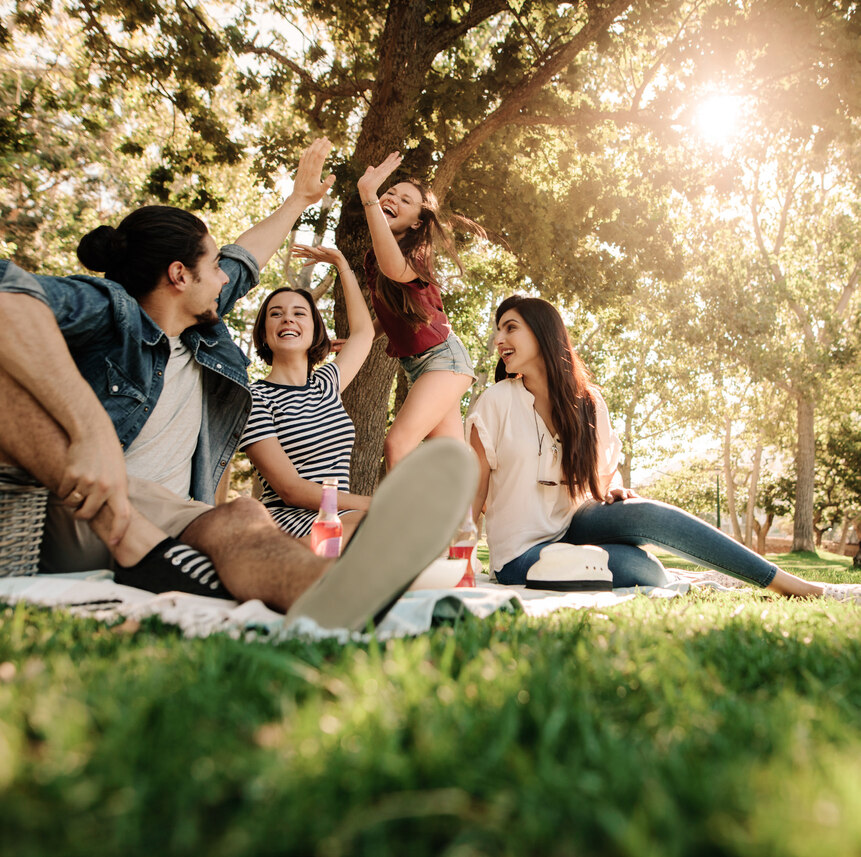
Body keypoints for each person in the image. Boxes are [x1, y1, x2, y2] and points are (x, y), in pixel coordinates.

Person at [0, 138, 478, 628]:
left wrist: (298, 201)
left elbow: (243, 259)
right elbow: (6, 290)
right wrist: (89, 429)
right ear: (179, 275)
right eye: (213, 268)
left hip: (174, 517)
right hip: (87, 505)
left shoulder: (203, 331)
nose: (226, 280)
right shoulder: (113, 310)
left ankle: (337, 597)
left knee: (245, 516)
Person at [467, 294, 830, 598]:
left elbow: (600, 478)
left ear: (543, 333)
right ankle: (606, 568)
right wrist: (463, 555)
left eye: (510, 328)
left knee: (646, 512)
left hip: (574, 526)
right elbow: (473, 491)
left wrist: (613, 491)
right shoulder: (496, 402)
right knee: (643, 569)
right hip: (521, 554)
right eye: (498, 329)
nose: (499, 339)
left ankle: (785, 583)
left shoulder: (589, 403)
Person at [240, 243, 373, 544]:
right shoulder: (255, 398)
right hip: (291, 523)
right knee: (383, 527)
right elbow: (290, 489)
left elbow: (363, 333)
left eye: (300, 313)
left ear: (315, 331)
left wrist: (341, 263)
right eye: (276, 314)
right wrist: (373, 504)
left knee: (408, 529)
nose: (288, 319)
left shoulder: (327, 384)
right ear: (264, 333)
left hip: (343, 517)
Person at [357, 152, 477, 469]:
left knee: (397, 445)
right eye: (390, 193)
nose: (392, 198)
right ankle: (464, 520)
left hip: (443, 358)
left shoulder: (417, 255)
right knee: (452, 465)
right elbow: (388, 310)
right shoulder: (374, 258)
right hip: (421, 366)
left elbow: (394, 269)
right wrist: (363, 337)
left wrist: (370, 198)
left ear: (416, 222)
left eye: (405, 200)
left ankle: (404, 520)